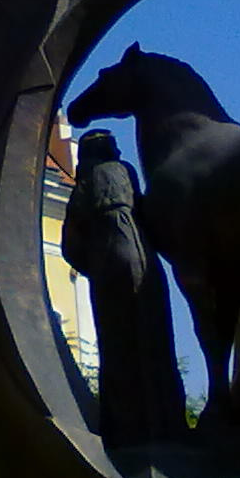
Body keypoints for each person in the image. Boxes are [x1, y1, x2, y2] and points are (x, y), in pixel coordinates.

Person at [62, 129, 188, 450]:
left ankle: (126, 426)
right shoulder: (126, 173)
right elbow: (152, 217)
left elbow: (70, 244)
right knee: (155, 339)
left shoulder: (86, 183)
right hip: (144, 260)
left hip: (109, 265)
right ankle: (166, 421)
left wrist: (92, 265)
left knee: (118, 345)